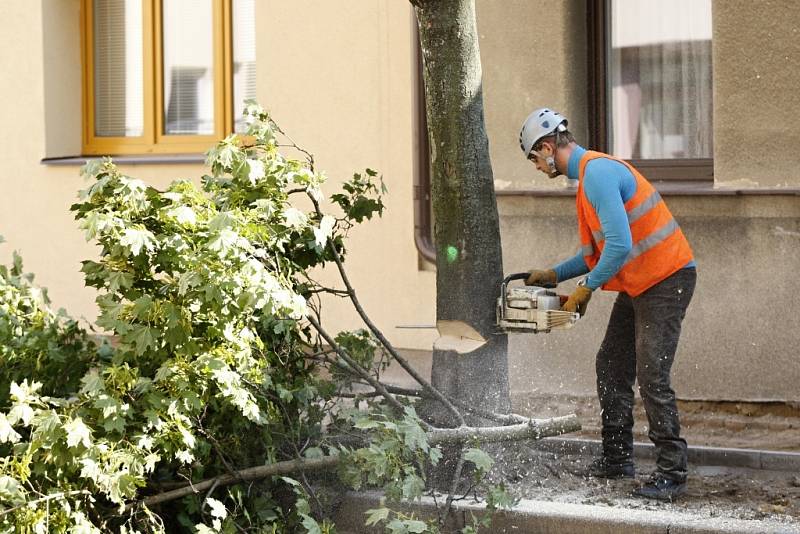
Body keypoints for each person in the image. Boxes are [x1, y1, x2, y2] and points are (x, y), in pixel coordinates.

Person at [519, 108, 697, 501]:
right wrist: (554, 274)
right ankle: (617, 459)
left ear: (548, 148)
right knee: (612, 365)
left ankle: (672, 471)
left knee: (652, 374)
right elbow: (596, 254)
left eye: (535, 158)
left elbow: (619, 247)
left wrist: (585, 289)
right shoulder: (588, 179)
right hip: (641, 282)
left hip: (667, 279)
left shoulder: (597, 175)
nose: (537, 167)